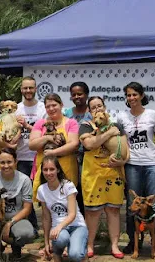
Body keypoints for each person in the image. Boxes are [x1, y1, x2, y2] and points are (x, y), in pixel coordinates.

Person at [116, 81, 155, 255]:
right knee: (132, 205)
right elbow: (120, 141)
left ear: (142, 95)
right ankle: (133, 241)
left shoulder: (153, 114)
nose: (132, 98)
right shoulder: (121, 117)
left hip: (152, 164)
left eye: (135, 94)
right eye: (128, 95)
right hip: (132, 165)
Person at [79, 96, 128, 259]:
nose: (97, 109)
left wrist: (122, 161)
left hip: (113, 174)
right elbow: (90, 144)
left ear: (105, 107)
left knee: (113, 211)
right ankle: (89, 244)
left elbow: (125, 150)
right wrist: (109, 134)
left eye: (100, 106)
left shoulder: (117, 125)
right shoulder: (85, 126)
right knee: (92, 212)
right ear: (89, 111)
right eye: (93, 108)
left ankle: (114, 245)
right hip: (93, 174)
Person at [0, 148, 34, 259]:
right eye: (2, 162)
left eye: (9, 162)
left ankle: (16, 248)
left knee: (26, 233)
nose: (6, 165)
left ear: (16, 162)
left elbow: (27, 209)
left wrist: (10, 223)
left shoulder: (25, 180)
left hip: (17, 218)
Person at [29, 93, 79, 201]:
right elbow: (32, 145)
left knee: (67, 203)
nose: (51, 109)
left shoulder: (71, 123)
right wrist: (48, 138)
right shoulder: (40, 123)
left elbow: (73, 144)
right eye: (48, 106)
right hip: (46, 171)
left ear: (61, 105)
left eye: (54, 105)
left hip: (67, 170)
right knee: (47, 205)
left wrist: (53, 153)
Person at [37, 156, 88, 262]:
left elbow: (72, 214)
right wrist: (46, 242)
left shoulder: (67, 185)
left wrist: (59, 227)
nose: (48, 173)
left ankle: (80, 249)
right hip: (59, 230)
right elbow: (46, 218)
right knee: (61, 238)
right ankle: (57, 253)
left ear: (58, 169)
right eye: (45, 169)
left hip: (76, 225)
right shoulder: (41, 190)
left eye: (52, 169)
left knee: (75, 256)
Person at [15, 76, 46, 237]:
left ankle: (51, 226)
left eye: (31, 88)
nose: (28, 91)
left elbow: (45, 131)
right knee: (25, 195)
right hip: (22, 158)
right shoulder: (16, 109)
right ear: (21, 89)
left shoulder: (43, 109)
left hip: (40, 157)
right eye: (25, 88)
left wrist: (27, 125)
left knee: (43, 194)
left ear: (35, 89)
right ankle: (32, 227)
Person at [63, 81, 92, 216]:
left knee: (86, 189)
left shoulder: (93, 113)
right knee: (73, 190)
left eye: (80, 94)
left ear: (86, 95)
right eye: (73, 94)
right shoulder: (66, 113)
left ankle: (87, 224)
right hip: (69, 157)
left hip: (89, 158)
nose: (76, 97)